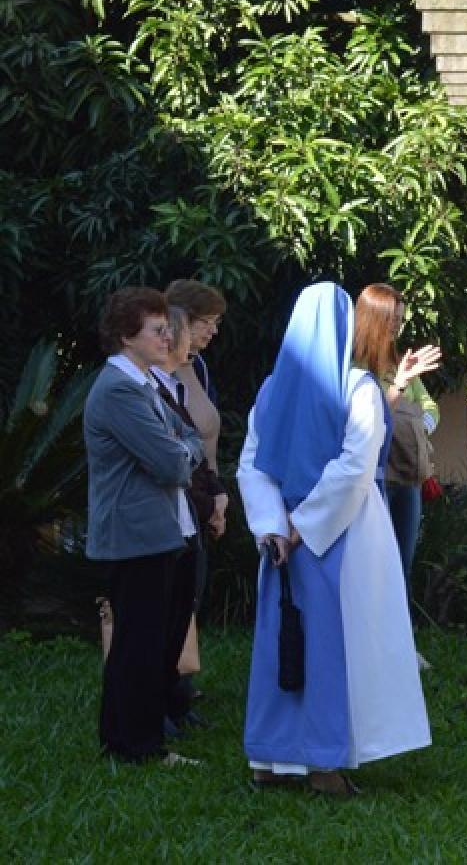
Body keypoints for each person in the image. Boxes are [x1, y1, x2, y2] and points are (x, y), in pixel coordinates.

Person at [238, 282, 430, 795]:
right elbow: (355, 466)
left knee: (282, 642)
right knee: (331, 646)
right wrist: (306, 527)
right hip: (342, 537)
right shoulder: (358, 387)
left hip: (283, 541)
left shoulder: (272, 388)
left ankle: (269, 757)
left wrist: (275, 527)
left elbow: (253, 465)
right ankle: (324, 764)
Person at [84, 287, 206, 766]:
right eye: (156, 330)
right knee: (139, 644)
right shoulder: (117, 389)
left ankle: (129, 738)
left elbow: (186, 439)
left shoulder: (140, 384)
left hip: (159, 533)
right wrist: (183, 451)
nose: (166, 336)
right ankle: (136, 746)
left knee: (150, 641)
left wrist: (182, 450)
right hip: (135, 537)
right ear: (125, 336)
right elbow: (172, 463)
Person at [149, 304, 228, 730]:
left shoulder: (185, 382)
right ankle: (157, 707)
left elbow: (194, 449)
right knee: (162, 613)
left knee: (185, 605)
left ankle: (175, 701)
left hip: (192, 506)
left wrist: (215, 492)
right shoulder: (147, 388)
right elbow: (177, 453)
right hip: (166, 512)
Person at [351, 283, 441, 588]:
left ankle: (398, 631)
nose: (396, 327)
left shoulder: (396, 360)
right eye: (391, 319)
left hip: (406, 473)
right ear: (371, 317)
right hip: (370, 477)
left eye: (400, 320)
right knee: (374, 561)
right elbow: (366, 419)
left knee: (403, 560)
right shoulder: (350, 365)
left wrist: (418, 425)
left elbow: (429, 405)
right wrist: (399, 388)